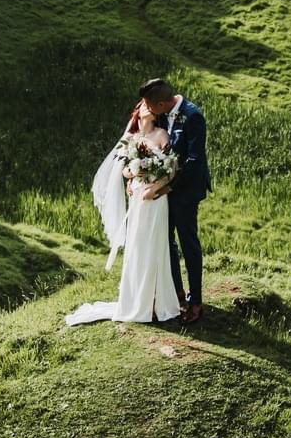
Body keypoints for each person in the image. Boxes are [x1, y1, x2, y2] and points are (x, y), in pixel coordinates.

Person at [63, 97, 182, 326]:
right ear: (138, 110)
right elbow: (124, 170)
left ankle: (158, 302)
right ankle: (137, 299)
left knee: (155, 245)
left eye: (151, 105)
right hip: (137, 196)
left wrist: (155, 187)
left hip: (156, 198)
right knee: (137, 245)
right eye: (145, 105)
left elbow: (171, 168)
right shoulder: (131, 138)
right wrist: (134, 172)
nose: (149, 107)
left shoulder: (161, 135)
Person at [137, 78, 210, 324]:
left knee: (187, 241)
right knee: (166, 241)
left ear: (160, 103)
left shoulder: (193, 116)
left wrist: (168, 186)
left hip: (186, 190)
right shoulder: (160, 114)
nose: (145, 108)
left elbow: (194, 161)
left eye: (149, 104)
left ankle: (196, 301)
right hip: (162, 189)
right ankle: (177, 293)